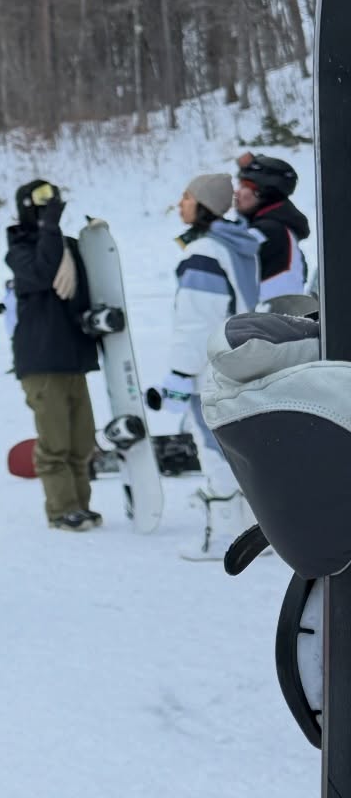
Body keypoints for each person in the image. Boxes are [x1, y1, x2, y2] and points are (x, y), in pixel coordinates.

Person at [158, 173, 259, 561]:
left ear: (204, 205)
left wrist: (180, 374)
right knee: (239, 448)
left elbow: (196, 321)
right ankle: (256, 533)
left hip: (212, 368)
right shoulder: (236, 245)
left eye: (187, 197)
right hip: (241, 361)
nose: (180, 203)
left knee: (215, 449)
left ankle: (225, 538)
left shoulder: (203, 252)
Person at [5, 179, 101, 531]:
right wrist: (49, 228)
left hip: (72, 357)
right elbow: (44, 272)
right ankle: (62, 510)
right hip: (42, 361)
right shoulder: (20, 249)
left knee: (81, 442)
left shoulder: (67, 248)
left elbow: (89, 291)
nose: (50, 209)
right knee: (55, 443)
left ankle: (81, 506)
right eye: (43, 203)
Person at [234, 152, 310, 301]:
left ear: (263, 192)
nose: (237, 192)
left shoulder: (268, 231)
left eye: (245, 186)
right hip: (270, 314)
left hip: (266, 314)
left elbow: (221, 259)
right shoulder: (278, 229)